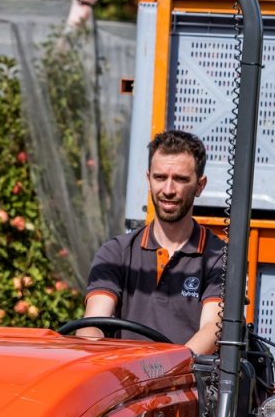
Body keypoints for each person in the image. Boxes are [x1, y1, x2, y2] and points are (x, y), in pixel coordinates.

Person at [78, 129, 225, 355]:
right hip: (128, 383)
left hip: (187, 385)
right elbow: (91, 327)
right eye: (160, 177)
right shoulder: (116, 253)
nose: (168, 190)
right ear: (148, 179)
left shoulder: (219, 257)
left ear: (200, 185)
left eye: (180, 179)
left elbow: (212, 330)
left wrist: (166, 372)